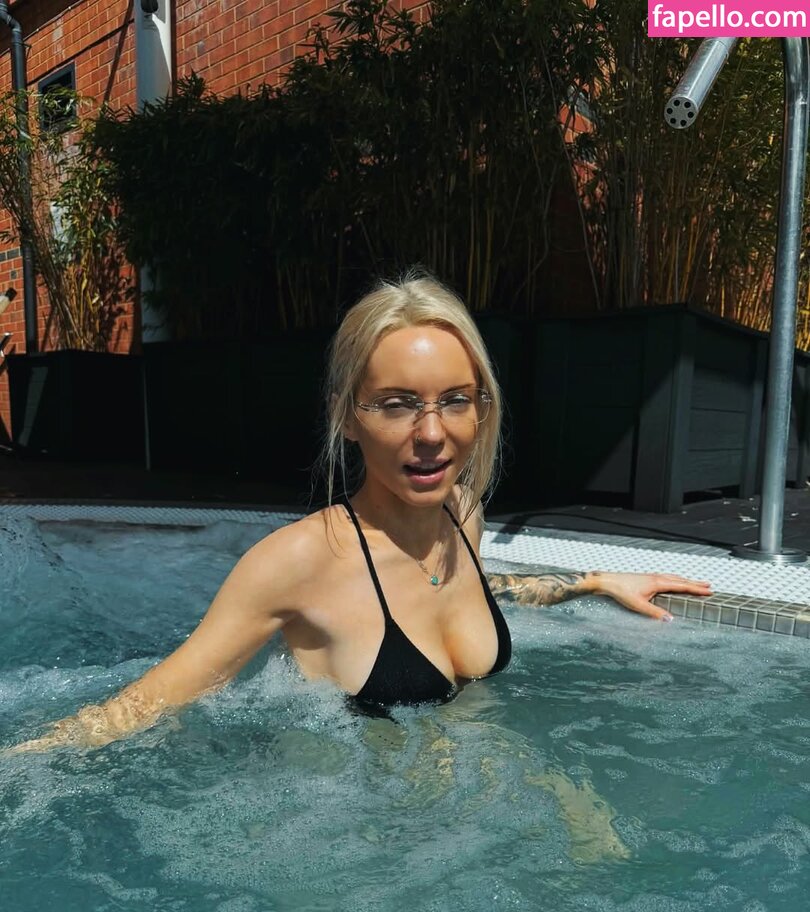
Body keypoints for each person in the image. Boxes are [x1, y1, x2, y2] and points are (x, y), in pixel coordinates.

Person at [7, 274, 711, 754]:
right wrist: (24, 760)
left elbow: (471, 591)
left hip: (471, 819)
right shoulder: (295, 562)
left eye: (455, 400)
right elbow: (147, 702)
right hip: (353, 862)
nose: (432, 433)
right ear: (348, 417)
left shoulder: (461, 514)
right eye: (397, 404)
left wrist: (592, 583)